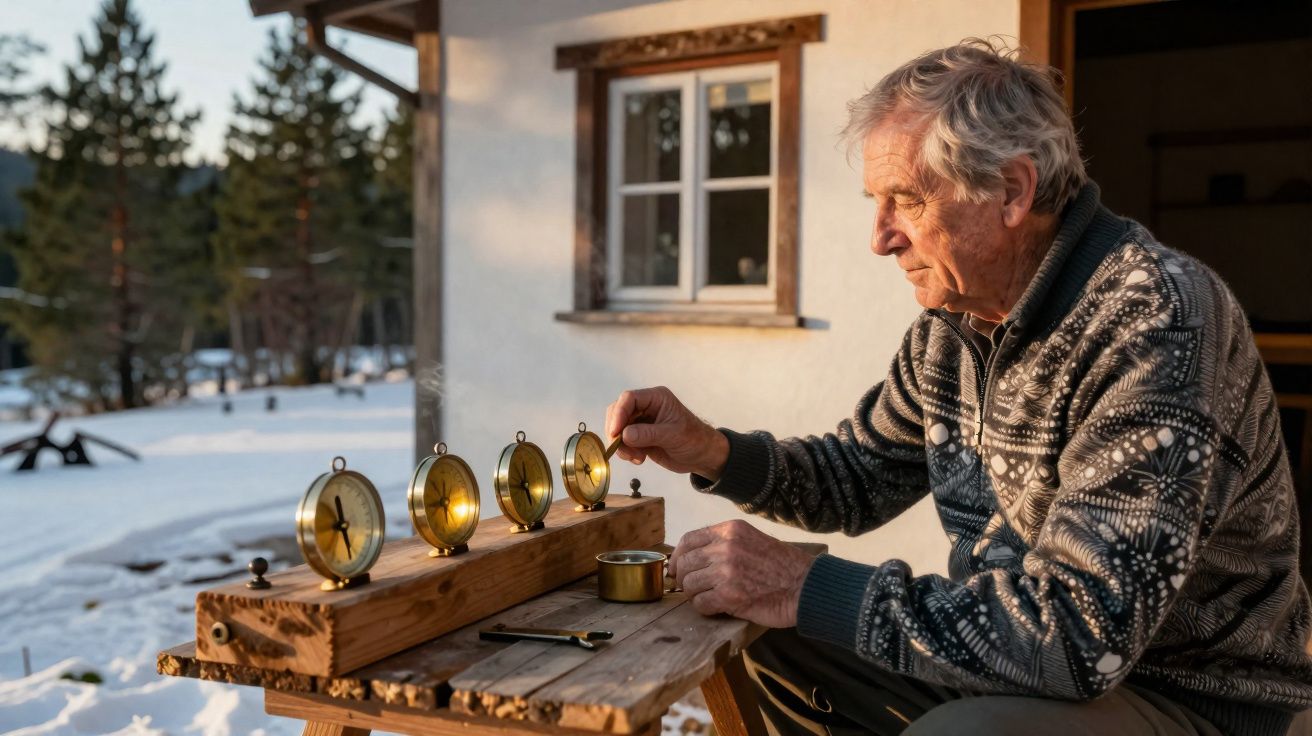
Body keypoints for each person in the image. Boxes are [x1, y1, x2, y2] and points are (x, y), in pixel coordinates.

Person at [605, 39, 1311, 736]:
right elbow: (854, 478)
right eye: (875, 203)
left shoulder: (1157, 320)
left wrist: (802, 584)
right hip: (1024, 665)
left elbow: (1082, 634)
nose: (880, 238)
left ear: (1011, 190)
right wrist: (712, 452)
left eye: (904, 200)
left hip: (1180, 694)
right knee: (772, 639)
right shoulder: (956, 327)